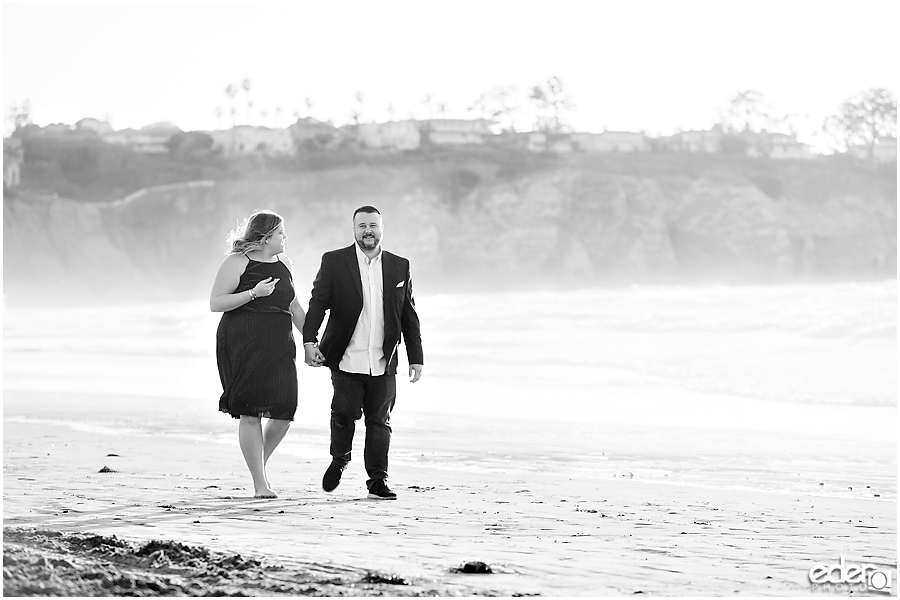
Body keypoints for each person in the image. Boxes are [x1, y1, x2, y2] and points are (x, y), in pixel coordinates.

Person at [302, 205, 423, 500]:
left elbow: (409, 314)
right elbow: (318, 303)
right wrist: (309, 340)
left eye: (373, 225)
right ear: (354, 230)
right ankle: (340, 458)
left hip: (384, 361)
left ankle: (377, 481)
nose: (368, 231)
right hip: (346, 357)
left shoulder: (400, 265)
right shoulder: (334, 261)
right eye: (362, 226)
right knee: (344, 415)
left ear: (382, 228)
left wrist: (416, 357)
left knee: (379, 421)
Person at [210, 209, 306, 499]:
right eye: (280, 233)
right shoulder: (237, 262)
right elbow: (216, 303)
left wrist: (311, 342)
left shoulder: (284, 262)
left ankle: (258, 465)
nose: (285, 237)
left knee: (284, 413)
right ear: (265, 237)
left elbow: (295, 306)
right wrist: (254, 293)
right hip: (242, 342)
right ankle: (259, 482)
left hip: (279, 344)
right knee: (250, 413)